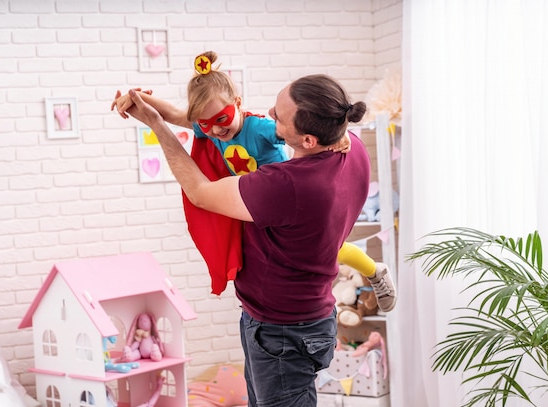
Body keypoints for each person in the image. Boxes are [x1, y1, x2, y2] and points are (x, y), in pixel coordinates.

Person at [120, 72, 382, 407]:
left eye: (279, 115)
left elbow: (200, 193)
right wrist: (157, 107)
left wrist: (155, 125)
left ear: (307, 140)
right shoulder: (353, 148)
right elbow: (199, 118)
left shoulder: (288, 185)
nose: (269, 113)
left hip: (282, 331)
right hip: (303, 317)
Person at [111, 51, 397, 312]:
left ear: (237, 103)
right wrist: (138, 98)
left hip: (280, 201)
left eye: (222, 118)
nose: (214, 129)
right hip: (254, 201)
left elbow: (302, 134)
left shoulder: (259, 128)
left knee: (333, 249)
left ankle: (374, 270)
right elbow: (175, 114)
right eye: (205, 123)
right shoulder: (212, 127)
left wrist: (337, 135)